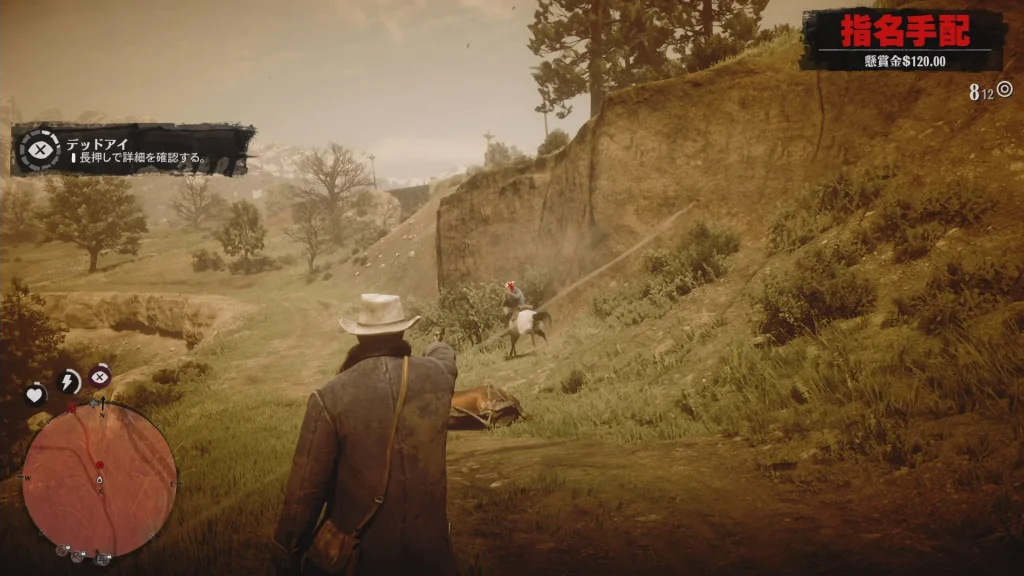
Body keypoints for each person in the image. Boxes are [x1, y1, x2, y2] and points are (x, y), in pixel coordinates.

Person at [271, 294, 460, 576]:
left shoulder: (330, 396)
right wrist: (436, 344)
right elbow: (446, 361)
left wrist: (285, 554)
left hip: (363, 560)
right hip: (431, 558)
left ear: (359, 336)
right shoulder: (437, 376)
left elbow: (303, 496)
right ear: (402, 331)